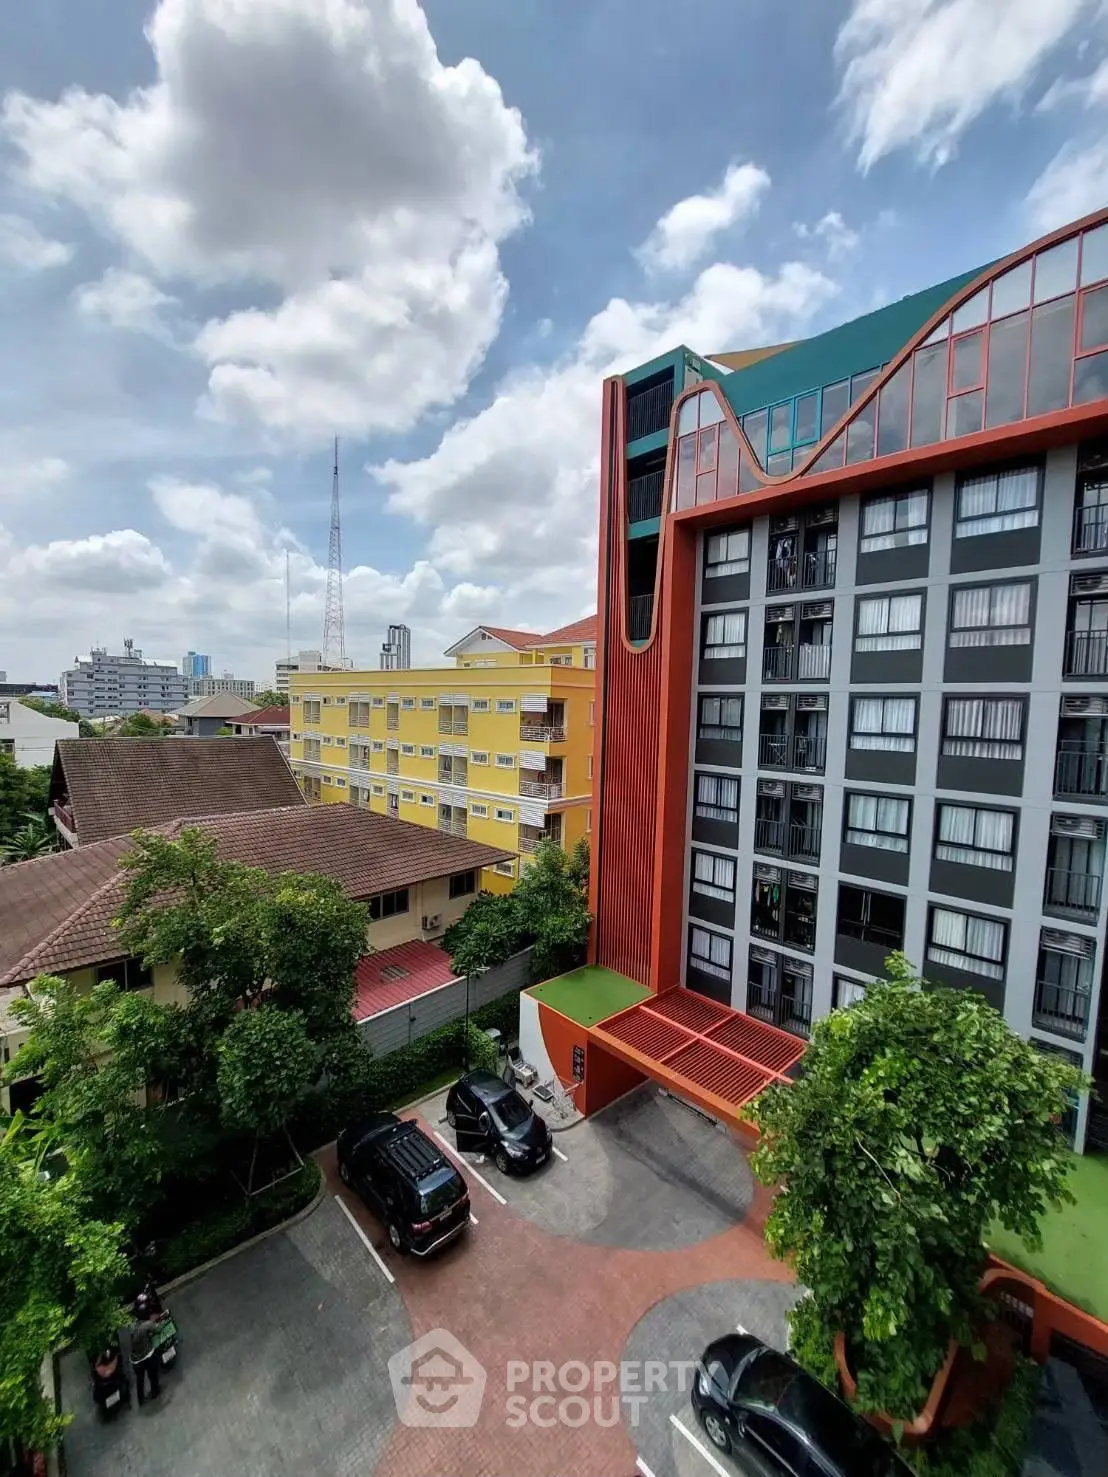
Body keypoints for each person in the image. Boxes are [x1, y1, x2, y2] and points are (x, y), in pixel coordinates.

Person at [129, 1317, 162, 1404]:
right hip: (147, 1356)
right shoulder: (145, 1325)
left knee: (140, 1380)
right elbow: (158, 1329)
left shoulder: (132, 1330)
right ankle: (155, 1392)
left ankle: (140, 1399)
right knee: (152, 1375)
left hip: (135, 1361)